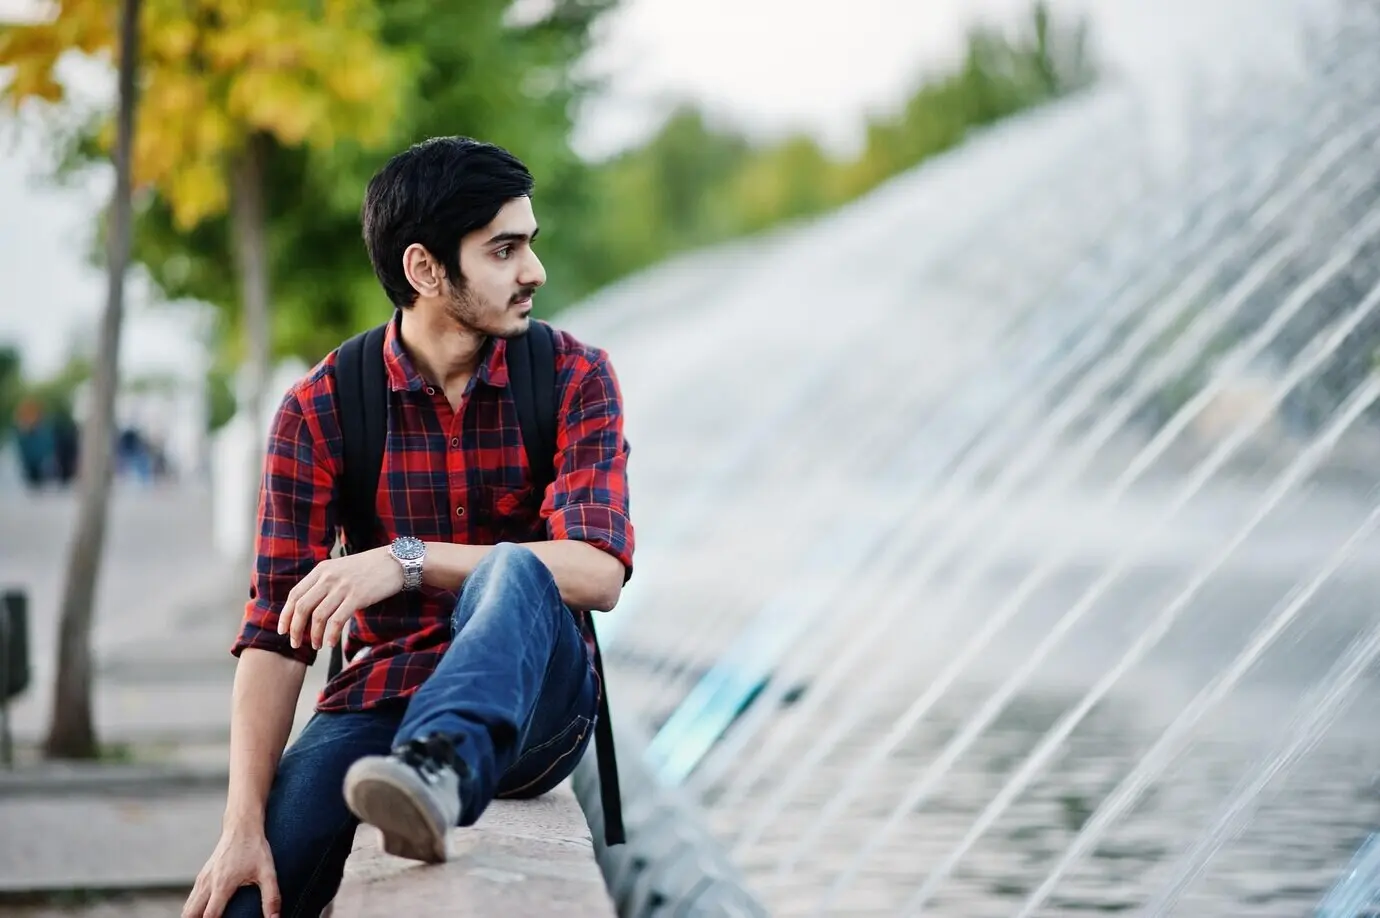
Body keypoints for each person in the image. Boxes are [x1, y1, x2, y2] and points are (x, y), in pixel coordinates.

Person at [182, 137, 635, 918]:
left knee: (515, 570)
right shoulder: (319, 407)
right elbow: (274, 634)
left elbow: (597, 572)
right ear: (425, 270)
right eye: (505, 249)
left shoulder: (574, 376)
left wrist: (407, 560)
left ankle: (442, 764)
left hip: (533, 709)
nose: (535, 272)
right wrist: (239, 827)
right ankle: (410, 775)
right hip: (380, 704)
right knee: (249, 898)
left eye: (529, 243)